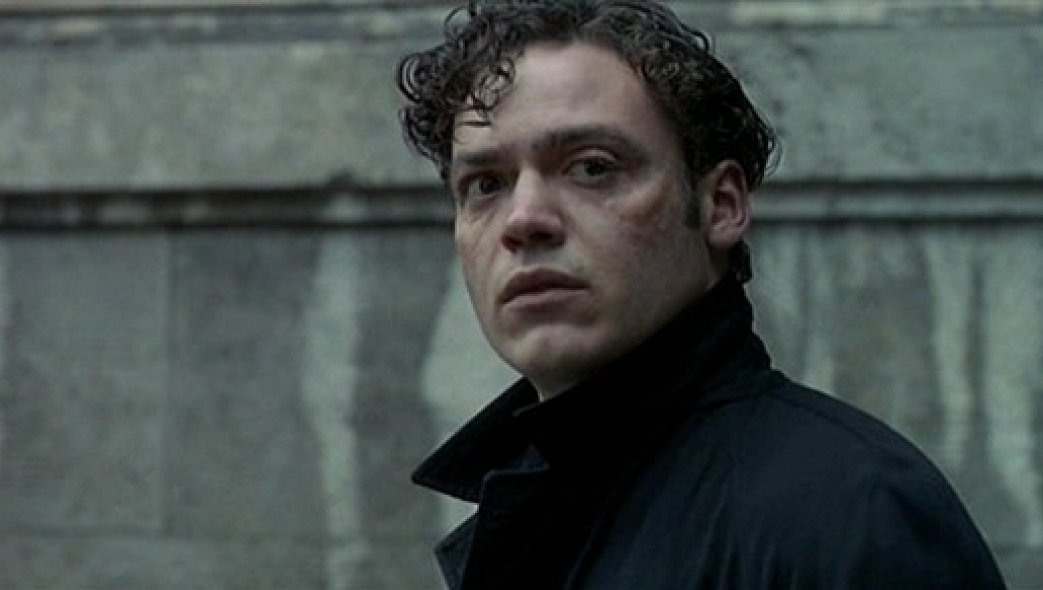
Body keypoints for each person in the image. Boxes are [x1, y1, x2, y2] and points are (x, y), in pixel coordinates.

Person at [396, 1, 1007, 588]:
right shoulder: (538, 508)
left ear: (721, 205)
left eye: (592, 167)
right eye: (486, 184)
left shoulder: (853, 508)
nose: (524, 219)